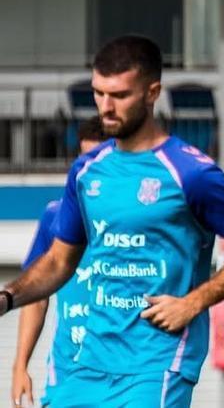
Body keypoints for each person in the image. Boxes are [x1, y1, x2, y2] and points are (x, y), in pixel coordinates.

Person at [0, 35, 224, 408]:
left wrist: (194, 302)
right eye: (99, 94)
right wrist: (7, 297)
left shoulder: (190, 172)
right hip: (88, 364)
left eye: (119, 95)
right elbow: (57, 262)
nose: (105, 107)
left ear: (152, 93)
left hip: (156, 364)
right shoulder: (86, 171)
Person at [10, 117, 104, 408]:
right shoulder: (56, 215)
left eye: (100, 159)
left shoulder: (135, 220)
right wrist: (20, 364)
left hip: (123, 373)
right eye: (86, 158)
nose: (91, 169)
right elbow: (37, 298)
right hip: (66, 376)